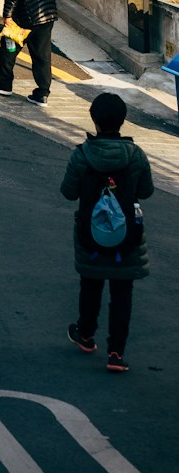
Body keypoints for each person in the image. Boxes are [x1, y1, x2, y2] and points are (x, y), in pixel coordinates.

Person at [61, 92, 153, 372]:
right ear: (123, 121)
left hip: (91, 232)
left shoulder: (82, 155)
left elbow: (68, 192)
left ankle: (86, 335)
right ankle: (116, 353)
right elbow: (146, 191)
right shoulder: (135, 156)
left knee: (91, 283)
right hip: (127, 235)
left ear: (94, 120)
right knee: (122, 292)